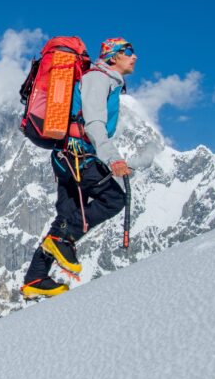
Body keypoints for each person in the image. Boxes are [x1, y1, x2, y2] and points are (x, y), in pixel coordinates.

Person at [22, 37, 136, 298]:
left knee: (66, 217)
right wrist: (113, 159)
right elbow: (94, 122)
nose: (134, 56)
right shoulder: (98, 79)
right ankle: (61, 241)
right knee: (114, 199)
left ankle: (35, 278)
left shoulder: (102, 79)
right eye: (128, 51)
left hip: (65, 156)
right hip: (78, 156)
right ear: (113, 57)